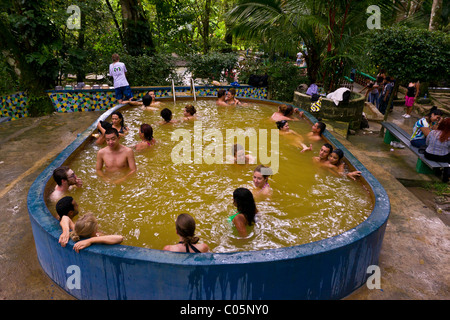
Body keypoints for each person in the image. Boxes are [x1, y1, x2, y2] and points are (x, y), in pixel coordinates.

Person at [424, 118, 450, 182]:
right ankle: (446, 177)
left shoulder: (433, 132)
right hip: (441, 157)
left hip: (428, 154)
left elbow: (427, 143)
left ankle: (438, 171)